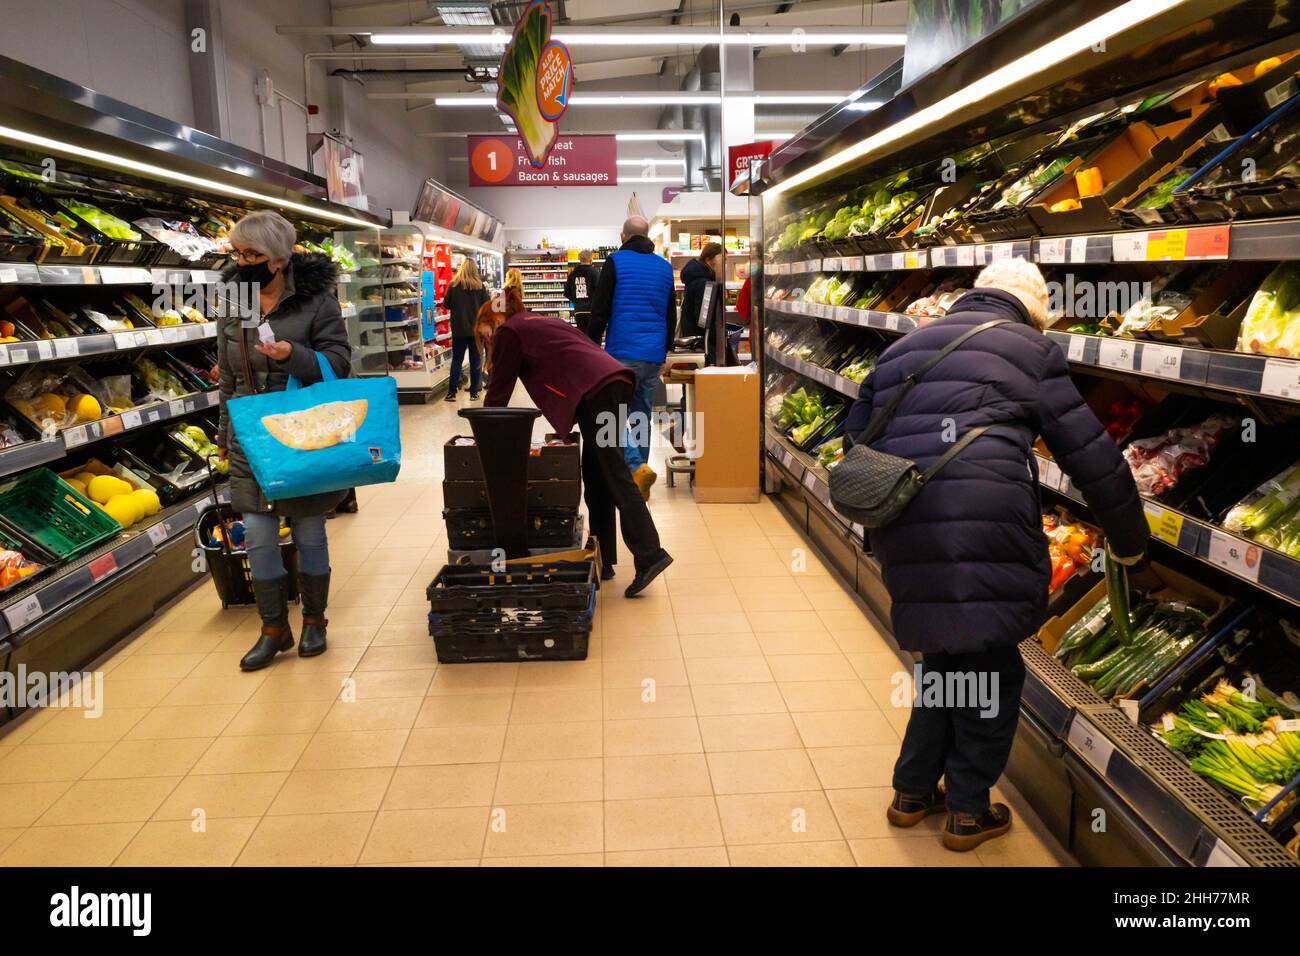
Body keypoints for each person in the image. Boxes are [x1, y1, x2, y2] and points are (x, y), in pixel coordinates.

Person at [842, 258, 1148, 851]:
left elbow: (857, 439)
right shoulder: (1030, 351)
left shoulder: (908, 345)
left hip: (904, 519)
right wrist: (1131, 542)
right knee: (992, 666)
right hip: (985, 525)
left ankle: (911, 792)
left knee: (947, 657)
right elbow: (1092, 457)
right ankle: (967, 809)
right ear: (1033, 311)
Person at [214, 210, 352, 672]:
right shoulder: (235, 303)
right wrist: (223, 433)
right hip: (250, 432)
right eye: (238, 252)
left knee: (309, 528)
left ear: (278, 258)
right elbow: (230, 378)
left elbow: (339, 362)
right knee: (256, 533)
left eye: (253, 254)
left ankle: (315, 620)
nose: (243, 260)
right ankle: (273, 629)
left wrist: (294, 355)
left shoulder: (316, 301)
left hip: (301, 430)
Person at [482, 287, 673, 596]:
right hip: (614, 384)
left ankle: (650, 554)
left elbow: (498, 392)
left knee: (614, 474)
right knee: (597, 477)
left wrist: (484, 431)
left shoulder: (510, 331)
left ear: (494, 318)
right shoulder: (537, 322)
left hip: (597, 394)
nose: (488, 339)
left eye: (485, 332)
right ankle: (604, 558)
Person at [587, 216, 677, 501]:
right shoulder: (664, 267)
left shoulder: (615, 262)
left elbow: (600, 309)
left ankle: (636, 467)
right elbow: (670, 313)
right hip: (652, 355)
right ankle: (640, 482)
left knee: (610, 414)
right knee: (640, 416)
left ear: (623, 235)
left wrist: (590, 346)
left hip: (621, 353)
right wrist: (664, 351)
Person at [443, 257, 491, 402]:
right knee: (475, 360)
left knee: (457, 360)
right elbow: (487, 306)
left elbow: (446, 304)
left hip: (458, 329)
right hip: (476, 331)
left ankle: (451, 393)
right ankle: (474, 393)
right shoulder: (480, 286)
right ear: (474, 270)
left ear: (461, 269)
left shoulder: (453, 285)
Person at [677, 242, 721, 340]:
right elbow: (703, 320)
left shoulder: (698, 277)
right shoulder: (703, 283)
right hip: (700, 339)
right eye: (722, 260)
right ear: (708, 259)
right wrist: (719, 334)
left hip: (693, 334)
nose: (724, 264)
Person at [564, 249, 600, 335]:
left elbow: (567, 293)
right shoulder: (595, 273)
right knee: (593, 338)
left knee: (582, 338)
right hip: (592, 311)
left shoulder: (572, 274)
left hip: (578, 311)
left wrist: (576, 301)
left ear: (579, 260)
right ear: (591, 260)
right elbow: (600, 291)